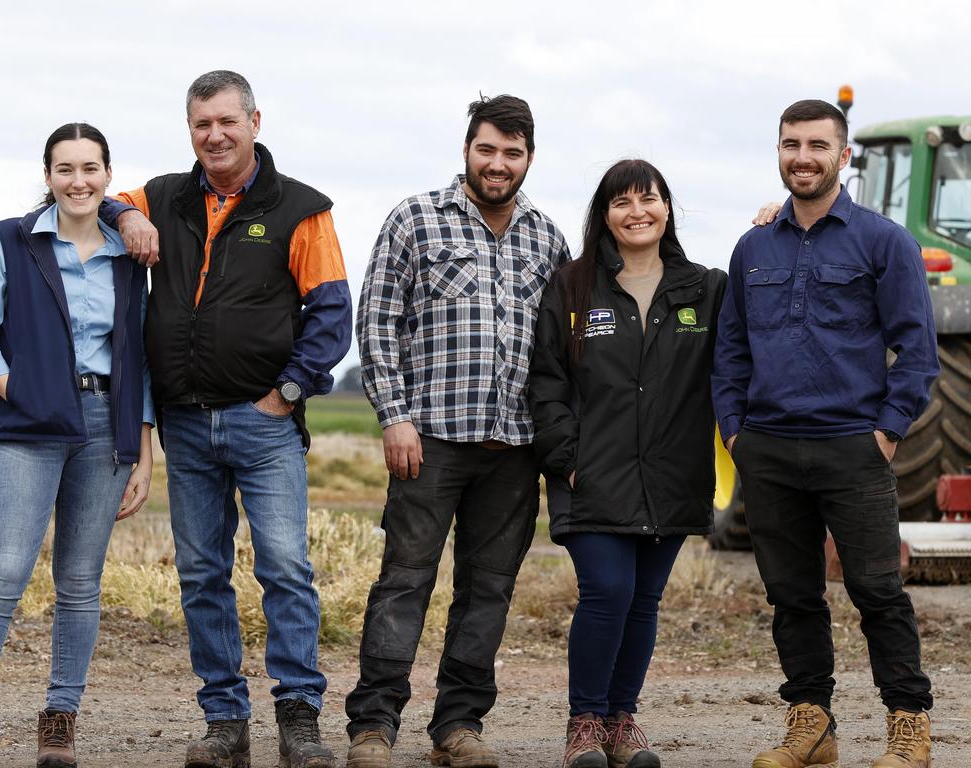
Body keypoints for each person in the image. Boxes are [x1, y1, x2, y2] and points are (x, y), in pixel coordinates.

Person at [101, 70, 351, 768]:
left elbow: (332, 313)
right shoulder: (161, 197)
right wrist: (128, 216)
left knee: (284, 568)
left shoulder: (302, 208)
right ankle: (224, 722)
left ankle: (299, 720)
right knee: (202, 574)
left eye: (226, 122)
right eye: (201, 123)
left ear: (255, 122)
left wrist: (290, 392)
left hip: (265, 424)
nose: (214, 134)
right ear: (190, 129)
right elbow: (96, 200)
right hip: (185, 423)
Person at [712, 99, 938, 768]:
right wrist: (735, 432)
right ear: (778, 152)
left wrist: (888, 432)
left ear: (842, 156)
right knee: (792, 595)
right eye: (790, 144)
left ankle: (908, 724)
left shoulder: (882, 241)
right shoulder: (753, 246)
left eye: (816, 145)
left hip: (853, 447)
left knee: (877, 592)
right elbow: (730, 350)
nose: (802, 156)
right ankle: (812, 725)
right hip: (770, 449)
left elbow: (917, 348)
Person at [346, 95, 570, 768]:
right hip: (431, 441)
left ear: (529, 157)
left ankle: (458, 725)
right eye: (487, 149)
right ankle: (374, 724)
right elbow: (378, 321)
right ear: (467, 148)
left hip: (514, 446)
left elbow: (563, 345)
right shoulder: (416, 219)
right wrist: (395, 417)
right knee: (404, 580)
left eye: (512, 153)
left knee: (490, 587)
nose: (497, 164)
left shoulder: (549, 238)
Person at [0, 123, 153, 768]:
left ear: (107, 175)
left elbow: (140, 358)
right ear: (47, 176)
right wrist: (23, 391)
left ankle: (59, 723)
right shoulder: (11, 240)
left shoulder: (128, 253)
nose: (79, 181)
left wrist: (143, 451)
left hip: (104, 431)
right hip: (29, 428)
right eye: (65, 169)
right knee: (4, 574)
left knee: (80, 582)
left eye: (91, 168)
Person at [529, 159, 727, 768]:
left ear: (668, 208)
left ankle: (623, 720)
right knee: (607, 590)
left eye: (649, 199)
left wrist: (771, 222)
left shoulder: (706, 288)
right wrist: (565, 456)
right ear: (604, 214)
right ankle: (585, 722)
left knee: (644, 600)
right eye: (622, 202)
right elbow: (547, 379)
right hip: (592, 471)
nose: (636, 212)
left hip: (672, 472)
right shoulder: (572, 286)